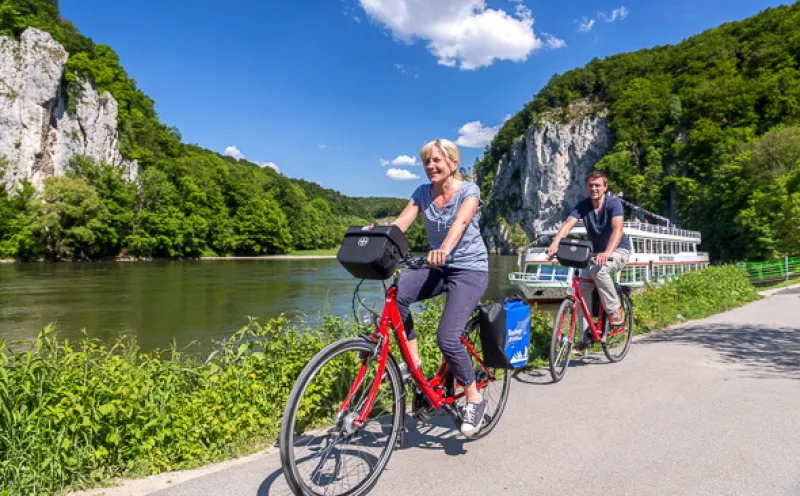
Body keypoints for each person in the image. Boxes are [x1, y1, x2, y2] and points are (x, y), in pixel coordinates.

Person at [391, 138, 489, 438]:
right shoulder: (422, 193)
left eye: (437, 161)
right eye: (427, 162)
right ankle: (414, 365)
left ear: (453, 163)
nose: (431, 166)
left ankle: (474, 397)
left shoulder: (469, 190)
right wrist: (378, 237)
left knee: (447, 337)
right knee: (396, 296)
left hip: (470, 270)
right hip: (438, 268)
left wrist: (444, 248)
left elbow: (461, 222)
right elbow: (400, 225)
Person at [546, 170, 631, 352]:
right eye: (591, 185)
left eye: (598, 185)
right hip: (596, 253)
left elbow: (618, 230)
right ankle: (585, 337)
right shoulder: (584, 205)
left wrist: (608, 252)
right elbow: (568, 223)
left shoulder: (613, 204)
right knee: (581, 290)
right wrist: (555, 243)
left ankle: (616, 312)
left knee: (598, 271)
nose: (594, 188)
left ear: (605, 187)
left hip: (618, 250)